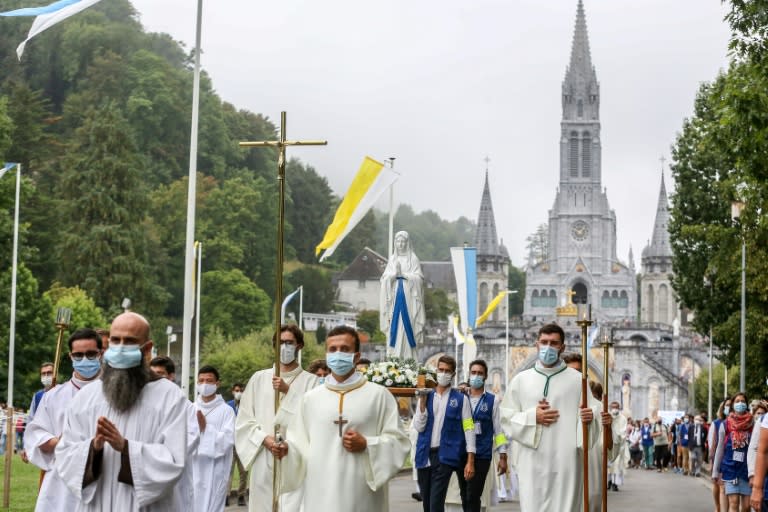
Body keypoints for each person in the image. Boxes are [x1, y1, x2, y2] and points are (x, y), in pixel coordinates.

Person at [55, 312, 188, 511]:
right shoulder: (86, 398)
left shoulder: (170, 397)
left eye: (130, 341)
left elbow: (174, 461)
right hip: (98, 503)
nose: (120, 348)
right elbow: (65, 454)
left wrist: (126, 448)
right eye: (116, 340)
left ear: (147, 348)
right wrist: (93, 448)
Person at [279, 325, 410, 511]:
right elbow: (298, 445)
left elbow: (399, 442)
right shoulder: (310, 399)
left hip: (362, 495)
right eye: (332, 349)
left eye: (344, 349)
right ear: (326, 355)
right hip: (320, 492)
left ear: (356, 356)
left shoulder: (379, 396)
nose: (338, 354)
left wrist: (367, 444)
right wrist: (287, 450)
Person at [500, 323, 598, 511]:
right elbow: (505, 418)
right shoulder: (521, 380)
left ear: (562, 347)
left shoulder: (579, 380)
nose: (548, 347)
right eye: (544, 342)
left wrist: (588, 417)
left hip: (566, 462)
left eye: (553, 343)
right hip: (531, 461)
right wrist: (532, 417)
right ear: (536, 345)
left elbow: (592, 415)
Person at [235, 325, 318, 512]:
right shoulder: (259, 378)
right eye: (280, 343)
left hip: (296, 457)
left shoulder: (312, 382)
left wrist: (289, 391)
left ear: (300, 346)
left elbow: (313, 418)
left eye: (289, 342)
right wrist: (265, 439)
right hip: (264, 454)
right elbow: (244, 419)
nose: (284, 347)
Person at [24, 328, 103, 512]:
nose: (84, 359)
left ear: (101, 353)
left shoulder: (114, 393)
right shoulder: (53, 396)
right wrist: (58, 441)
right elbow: (36, 433)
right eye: (78, 355)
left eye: (91, 354)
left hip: (103, 476)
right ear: (70, 356)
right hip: (61, 480)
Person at [413, 355, 477, 512]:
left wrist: (470, 459)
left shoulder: (461, 399)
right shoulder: (426, 395)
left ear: (453, 374)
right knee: (427, 505)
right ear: (436, 371)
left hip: (445, 456)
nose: (443, 373)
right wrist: (422, 404)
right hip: (424, 455)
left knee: (436, 504)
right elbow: (419, 427)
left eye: (447, 371)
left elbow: (469, 428)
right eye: (441, 370)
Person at [150, 356, 200, 512]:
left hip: (175, 472)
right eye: (151, 374)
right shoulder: (143, 403)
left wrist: (162, 457)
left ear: (171, 376)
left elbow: (192, 437)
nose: (154, 378)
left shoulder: (186, 406)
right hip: (149, 470)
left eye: (159, 373)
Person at [463, 359, 507, 511]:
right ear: (469, 374)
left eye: (480, 373)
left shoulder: (492, 400)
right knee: (462, 495)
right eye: (473, 373)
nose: (476, 376)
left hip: (482, 454)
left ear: (486, 376)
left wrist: (503, 456)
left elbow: (499, 430)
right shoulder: (461, 397)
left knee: (473, 495)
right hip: (460, 452)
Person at [193, 365, 235, 512]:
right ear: (197, 383)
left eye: (209, 380)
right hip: (193, 468)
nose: (205, 384)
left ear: (217, 384)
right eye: (201, 380)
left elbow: (227, 441)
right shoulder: (190, 408)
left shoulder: (227, 411)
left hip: (215, 470)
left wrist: (206, 429)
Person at [379, 230, 425, 360]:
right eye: (398, 241)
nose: (400, 244)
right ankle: (394, 355)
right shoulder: (393, 259)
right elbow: (384, 279)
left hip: (409, 297)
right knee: (395, 324)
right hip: (394, 297)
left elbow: (419, 279)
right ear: (395, 243)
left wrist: (404, 275)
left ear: (407, 243)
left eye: (403, 241)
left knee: (407, 323)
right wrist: (394, 275)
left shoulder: (413, 259)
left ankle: (408, 356)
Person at [713, 392, 754, 512]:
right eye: (737, 401)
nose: (740, 403)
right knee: (734, 503)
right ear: (732, 406)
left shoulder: (753, 424)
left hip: (746, 469)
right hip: (730, 469)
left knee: (746, 506)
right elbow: (720, 449)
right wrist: (715, 471)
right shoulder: (725, 425)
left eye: (742, 401)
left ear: (746, 404)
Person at [227, 382, 248, 507]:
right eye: (236, 390)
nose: (238, 392)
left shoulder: (248, 406)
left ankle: (241, 495)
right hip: (230, 443)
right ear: (232, 391)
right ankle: (226, 495)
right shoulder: (228, 406)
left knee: (244, 472)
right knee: (228, 471)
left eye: (241, 390)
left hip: (243, 444)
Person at [711, 399, 731, 512]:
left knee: (727, 488)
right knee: (719, 486)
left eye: (730, 405)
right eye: (726, 405)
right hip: (719, 458)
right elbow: (713, 443)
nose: (728, 407)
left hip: (731, 459)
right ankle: (718, 506)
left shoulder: (737, 422)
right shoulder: (717, 423)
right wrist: (712, 460)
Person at [607, 402, 629, 491]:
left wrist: (616, 436)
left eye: (616, 407)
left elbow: (623, 431)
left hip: (618, 445)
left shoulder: (622, 418)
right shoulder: (608, 416)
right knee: (608, 465)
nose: (614, 409)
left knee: (617, 465)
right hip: (608, 445)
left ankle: (615, 483)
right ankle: (608, 481)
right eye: (613, 407)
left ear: (619, 408)